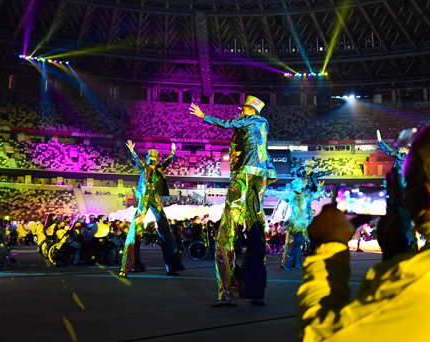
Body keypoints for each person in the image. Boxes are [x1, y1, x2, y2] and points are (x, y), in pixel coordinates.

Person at [298, 119, 430, 342]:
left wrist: (330, 247)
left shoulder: (426, 277)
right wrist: (397, 254)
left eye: (406, 188)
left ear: (427, 196)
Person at [190, 95, 277, 307]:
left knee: (226, 233)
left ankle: (227, 292)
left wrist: (204, 116)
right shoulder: (263, 124)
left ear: (251, 111)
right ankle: (257, 292)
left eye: (244, 109)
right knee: (257, 230)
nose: (241, 112)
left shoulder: (249, 120)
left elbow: (228, 124)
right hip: (262, 175)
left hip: (245, 174)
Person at [119, 141, 184, 278]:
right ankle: (130, 264)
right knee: (136, 227)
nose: (152, 161)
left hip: (154, 198)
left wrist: (173, 152)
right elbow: (137, 161)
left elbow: (167, 162)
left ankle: (172, 266)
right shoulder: (144, 168)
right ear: (148, 159)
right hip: (145, 198)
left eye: (154, 159)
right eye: (150, 159)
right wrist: (132, 151)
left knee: (165, 228)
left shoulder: (158, 170)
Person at [280, 179, 323, 273]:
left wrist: (319, 188)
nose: (303, 187)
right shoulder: (292, 196)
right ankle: (290, 262)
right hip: (296, 224)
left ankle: (294, 262)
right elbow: (284, 198)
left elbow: (315, 196)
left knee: (301, 244)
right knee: (297, 243)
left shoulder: (305, 197)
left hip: (303, 223)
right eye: (301, 186)